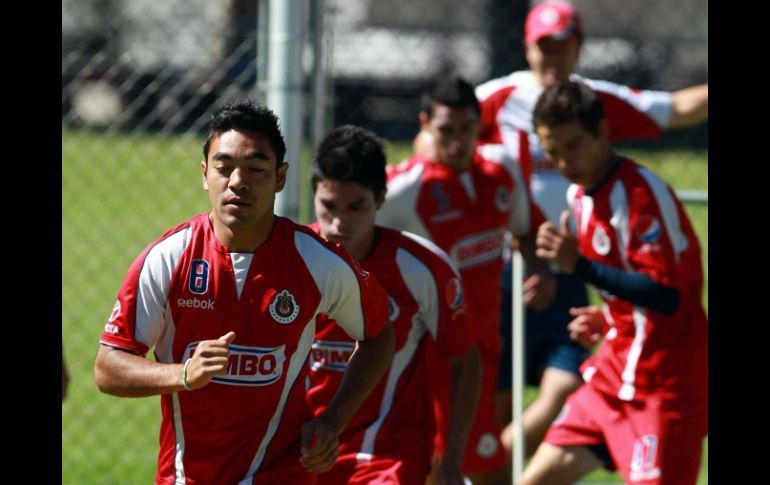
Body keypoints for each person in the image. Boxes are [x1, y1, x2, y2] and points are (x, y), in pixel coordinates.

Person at [417, 0, 709, 459]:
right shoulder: (498, 97)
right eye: (543, 47)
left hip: (576, 268)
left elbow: (676, 107)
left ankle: (493, 464)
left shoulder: (592, 103)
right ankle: (492, 462)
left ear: (578, 48)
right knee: (496, 394)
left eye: (563, 46)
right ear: (527, 47)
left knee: (564, 383)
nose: (553, 58)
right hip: (509, 270)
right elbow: (440, 131)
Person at [93, 100, 395, 484]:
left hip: (281, 472)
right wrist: (183, 373)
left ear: (280, 177)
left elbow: (379, 334)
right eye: (224, 167)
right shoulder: (169, 258)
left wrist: (333, 422)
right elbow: (108, 368)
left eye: (255, 169)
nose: (238, 182)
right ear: (205, 174)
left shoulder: (317, 262)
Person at [519, 80, 707, 485]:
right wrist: (608, 318)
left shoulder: (640, 196)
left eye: (575, 145)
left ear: (603, 133)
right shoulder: (579, 198)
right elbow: (629, 286)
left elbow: (669, 296)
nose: (565, 161)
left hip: (664, 387)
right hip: (610, 378)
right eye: (553, 151)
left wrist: (578, 265)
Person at [377, 76, 555, 484]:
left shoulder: (502, 170)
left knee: (476, 462)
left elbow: (526, 230)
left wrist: (541, 270)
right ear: (424, 124)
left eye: (466, 129)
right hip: (430, 356)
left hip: (486, 347)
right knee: (441, 463)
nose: (457, 142)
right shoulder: (406, 189)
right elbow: (343, 234)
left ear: (480, 125)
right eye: (446, 131)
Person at [305, 125, 482, 485]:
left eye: (356, 207)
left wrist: (450, 458)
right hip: (299, 455)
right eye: (328, 206)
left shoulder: (423, 269)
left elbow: (466, 360)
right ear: (314, 197)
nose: (339, 223)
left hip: (387, 458)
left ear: (382, 199)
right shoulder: (288, 261)